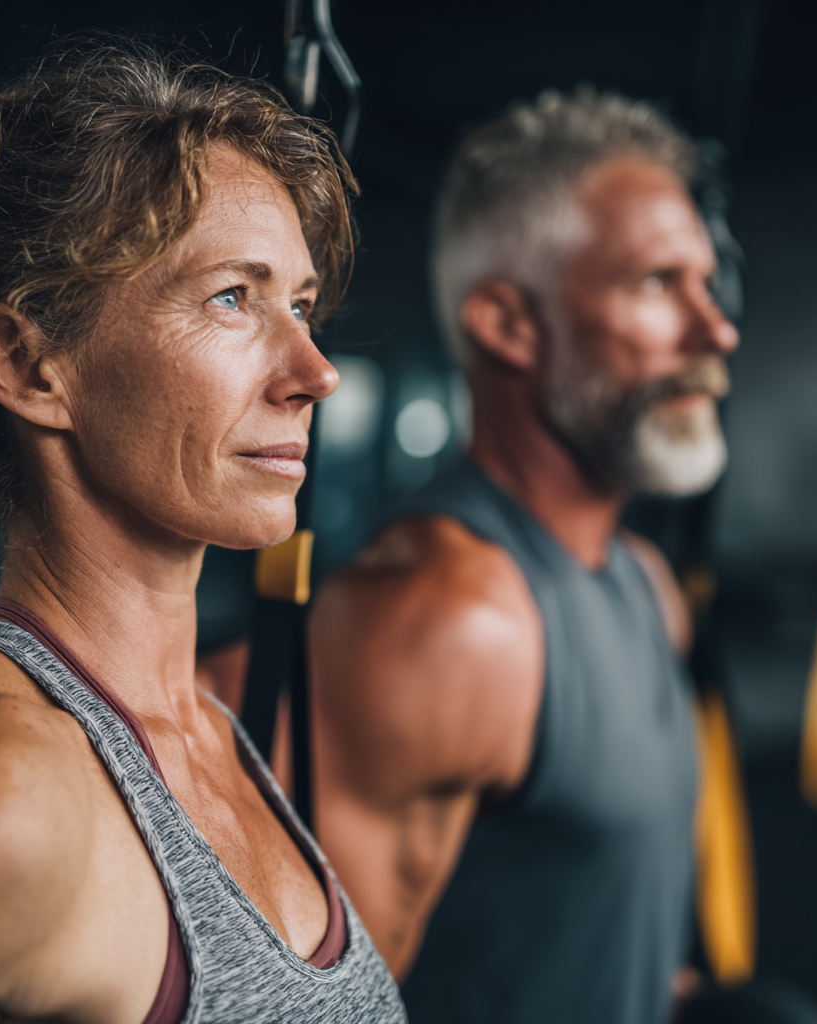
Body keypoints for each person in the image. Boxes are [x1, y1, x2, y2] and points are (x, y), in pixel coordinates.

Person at [0, 44, 405, 1024]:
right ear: (29, 364)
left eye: (303, 305)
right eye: (232, 297)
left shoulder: (208, 727)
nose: (316, 371)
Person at [309, 89, 739, 1024]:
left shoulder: (641, 581)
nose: (715, 333)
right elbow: (317, 1006)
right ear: (509, 324)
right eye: (658, 285)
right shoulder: (451, 613)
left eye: (707, 285)